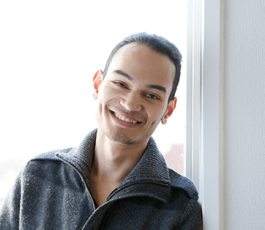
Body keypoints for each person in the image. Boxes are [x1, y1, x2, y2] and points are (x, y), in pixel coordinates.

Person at [0, 32, 203, 229]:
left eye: (151, 95)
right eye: (121, 84)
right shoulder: (36, 175)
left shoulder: (181, 207)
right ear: (98, 84)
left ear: (168, 109)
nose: (130, 105)